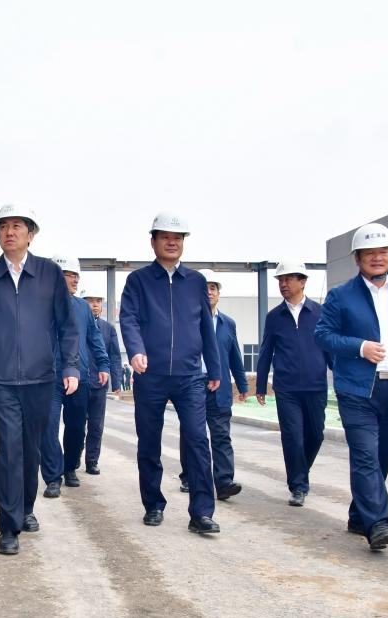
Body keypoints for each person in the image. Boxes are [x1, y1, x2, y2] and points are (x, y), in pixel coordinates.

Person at [315, 222, 388, 551]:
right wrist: (360, 347)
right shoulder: (341, 295)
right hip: (356, 390)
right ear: (358, 258)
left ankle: (359, 515)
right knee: (365, 454)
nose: (377, 258)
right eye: (370, 253)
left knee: (380, 457)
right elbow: (323, 335)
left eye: (383, 252)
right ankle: (378, 523)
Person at [0, 204, 79, 555]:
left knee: (31, 449)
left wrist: (70, 367)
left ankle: (26, 508)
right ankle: (8, 525)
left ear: (31, 234)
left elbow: (67, 326)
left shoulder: (49, 274)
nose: (9, 232)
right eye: (3, 226)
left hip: (40, 378)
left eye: (17, 226)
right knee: (9, 448)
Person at [119, 212, 222, 534]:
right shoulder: (138, 281)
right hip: (151, 375)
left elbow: (206, 326)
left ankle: (201, 513)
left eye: (178, 238)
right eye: (165, 237)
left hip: (190, 376)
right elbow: (128, 319)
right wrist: (136, 350)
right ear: (153, 241)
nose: (172, 242)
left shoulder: (195, 282)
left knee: (197, 440)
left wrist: (214, 367)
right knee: (149, 442)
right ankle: (153, 504)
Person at [255, 260, 331, 507]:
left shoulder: (320, 313)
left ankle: (301, 471)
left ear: (303, 281)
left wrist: (340, 377)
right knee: (293, 437)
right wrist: (260, 385)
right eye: (280, 280)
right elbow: (266, 351)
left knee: (316, 435)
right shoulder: (274, 317)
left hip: (316, 386)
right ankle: (298, 486)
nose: (283, 284)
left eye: (288, 279)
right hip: (286, 388)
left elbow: (330, 348)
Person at [40, 255, 108, 498]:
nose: (75, 280)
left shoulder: (82, 307)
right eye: (70, 275)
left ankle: (70, 467)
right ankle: (52, 476)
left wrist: (103, 364)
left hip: (79, 377)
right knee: (48, 426)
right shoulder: (40, 304)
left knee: (77, 428)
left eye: (76, 275)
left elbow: (94, 337)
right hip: (48, 377)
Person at [175, 269, 247, 498]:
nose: (209, 292)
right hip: (193, 384)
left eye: (213, 288)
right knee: (192, 433)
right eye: (204, 288)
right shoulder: (187, 321)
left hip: (220, 387)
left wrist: (242, 385)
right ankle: (189, 477)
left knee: (221, 434)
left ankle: (224, 482)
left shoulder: (228, 324)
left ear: (219, 293)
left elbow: (234, 356)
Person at [80, 288, 123, 475]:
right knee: (77, 425)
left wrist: (116, 381)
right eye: (90, 301)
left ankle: (92, 461)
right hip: (79, 383)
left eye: (98, 301)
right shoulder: (76, 325)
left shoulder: (108, 329)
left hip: (99, 384)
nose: (95, 305)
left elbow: (115, 356)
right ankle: (74, 457)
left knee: (96, 425)